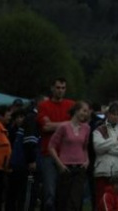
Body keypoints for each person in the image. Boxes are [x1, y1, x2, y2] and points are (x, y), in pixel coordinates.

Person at [37, 78, 75, 211]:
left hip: (67, 154)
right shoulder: (44, 105)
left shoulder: (71, 105)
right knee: (49, 192)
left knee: (64, 192)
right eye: (58, 87)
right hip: (49, 153)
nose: (60, 90)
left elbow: (77, 125)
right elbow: (46, 127)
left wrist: (55, 125)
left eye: (63, 88)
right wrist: (68, 124)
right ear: (52, 88)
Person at [49, 101, 91, 211]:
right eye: (84, 111)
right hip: (66, 167)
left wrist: (87, 161)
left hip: (80, 167)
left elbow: (85, 147)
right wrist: (60, 164)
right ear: (76, 110)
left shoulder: (86, 128)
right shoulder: (64, 127)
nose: (85, 114)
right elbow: (51, 146)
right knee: (63, 200)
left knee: (76, 201)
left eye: (87, 112)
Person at [92, 102, 118, 203]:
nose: (115, 116)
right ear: (108, 114)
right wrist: (115, 141)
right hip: (103, 171)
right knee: (102, 202)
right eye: (113, 113)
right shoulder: (98, 130)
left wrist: (106, 146)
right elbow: (98, 148)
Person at [6, 107, 36, 211]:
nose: (19, 120)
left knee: (23, 194)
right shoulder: (12, 131)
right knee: (11, 193)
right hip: (14, 166)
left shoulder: (28, 130)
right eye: (17, 117)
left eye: (22, 117)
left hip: (23, 166)